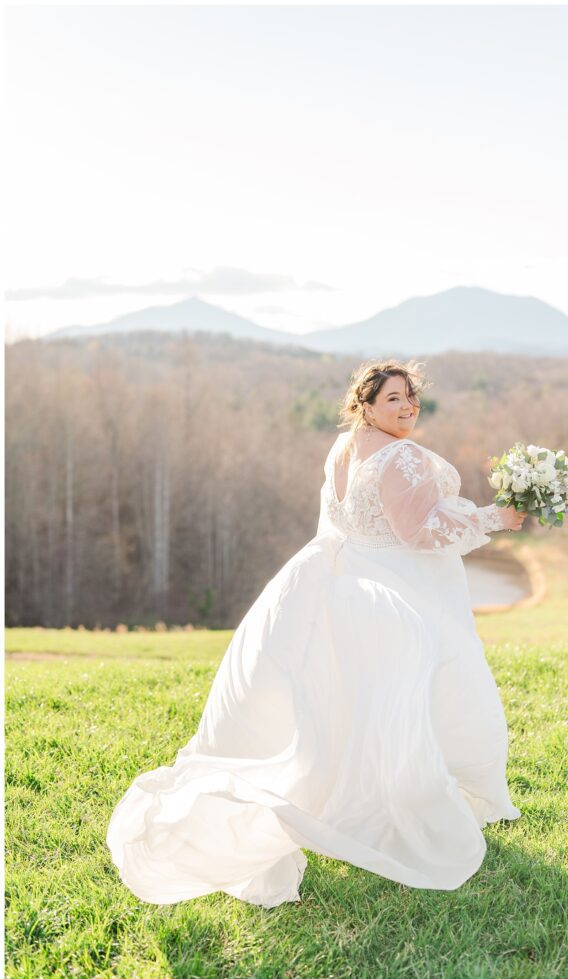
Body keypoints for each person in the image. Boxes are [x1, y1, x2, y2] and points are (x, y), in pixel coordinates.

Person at [107, 359, 526, 909]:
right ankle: (402, 803)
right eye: (393, 399)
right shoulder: (399, 457)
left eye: (411, 398)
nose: (407, 407)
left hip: (338, 582)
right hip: (392, 594)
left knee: (351, 706)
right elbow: (420, 533)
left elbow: (344, 525)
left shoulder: (346, 448)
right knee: (428, 688)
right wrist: (498, 517)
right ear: (366, 406)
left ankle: (367, 794)